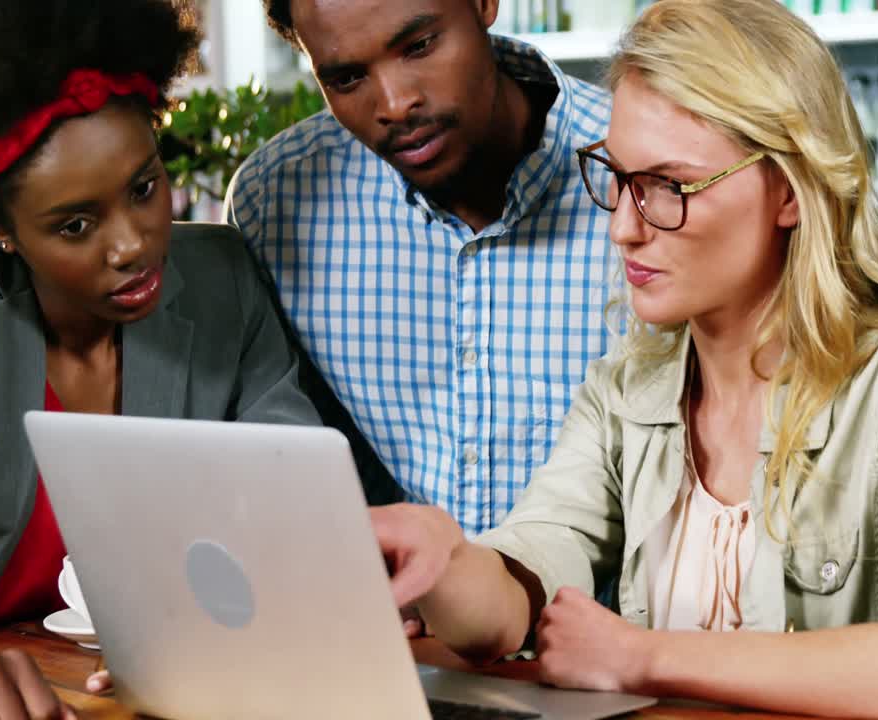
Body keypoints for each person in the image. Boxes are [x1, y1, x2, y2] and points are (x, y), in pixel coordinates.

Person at [370, 0, 878, 717]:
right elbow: (526, 571)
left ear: (787, 190)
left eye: (668, 187)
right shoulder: (627, 387)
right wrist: (442, 562)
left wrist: (642, 656)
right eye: (620, 179)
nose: (624, 228)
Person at [0, 0, 320, 717]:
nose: (133, 245)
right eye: (75, 225)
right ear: (2, 229)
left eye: (145, 188)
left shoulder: (223, 280)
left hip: (163, 687)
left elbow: (299, 506)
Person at [228, 0, 617, 535]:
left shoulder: (641, 172)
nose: (394, 104)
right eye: (346, 77)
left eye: (418, 46)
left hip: (609, 614)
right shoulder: (274, 205)